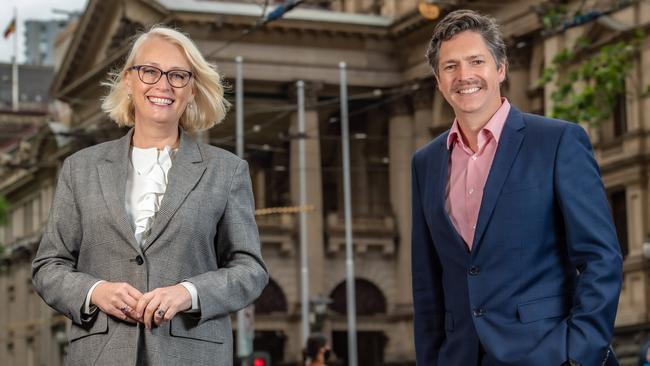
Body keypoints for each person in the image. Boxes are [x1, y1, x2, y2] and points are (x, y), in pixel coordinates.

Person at [32, 26, 268, 365]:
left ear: (191, 90)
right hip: (101, 355)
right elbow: (47, 267)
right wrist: (95, 291)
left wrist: (188, 293)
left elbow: (250, 270)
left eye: (178, 75)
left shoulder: (226, 171)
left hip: (192, 354)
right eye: (150, 71)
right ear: (129, 81)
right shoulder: (79, 168)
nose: (163, 85)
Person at [410, 9, 622, 366]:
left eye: (476, 61)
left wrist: (580, 353)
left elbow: (601, 258)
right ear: (438, 81)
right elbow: (427, 282)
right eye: (450, 67)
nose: (465, 76)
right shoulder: (425, 162)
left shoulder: (557, 141)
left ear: (501, 68)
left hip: (547, 354)